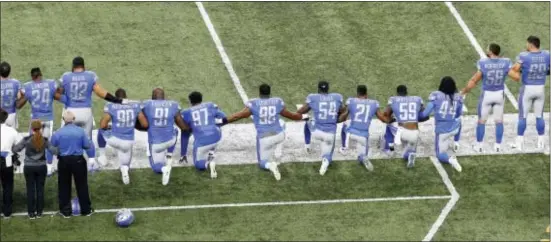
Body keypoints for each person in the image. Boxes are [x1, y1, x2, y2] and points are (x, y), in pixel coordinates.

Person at [57, 56, 129, 171]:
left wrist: (66, 99)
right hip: (86, 112)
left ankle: (63, 164)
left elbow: (57, 94)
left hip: (70, 111)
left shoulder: (66, 76)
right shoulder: (90, 75)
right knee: (87, 140)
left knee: (64, 137)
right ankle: (91, 164)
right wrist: (116, 100)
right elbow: (101, 92)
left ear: (72, 67)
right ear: (83, 66)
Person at [222, 84, 306, 180]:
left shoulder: (254, 104)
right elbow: (292, 116)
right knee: (282, 123)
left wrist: (222, 121)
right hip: (279, 135)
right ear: (270, 92)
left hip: (265, 138)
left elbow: (237, 116)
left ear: (259, 92)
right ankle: (278, 148)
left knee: (263, 163)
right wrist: (303, 117)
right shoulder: (278, 102)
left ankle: (271, 166)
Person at [461, 44, 519, 153]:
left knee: (481, 121)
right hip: (499, 94)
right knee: (499, 121)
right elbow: (516, 77)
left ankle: (479, 146)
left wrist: (464, 91)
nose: (486, 49)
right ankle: (497, 146)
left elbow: (474, 80)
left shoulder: (483, 63)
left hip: (487, 95)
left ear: (491, 52)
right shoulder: (505, 62)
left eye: (488, 48)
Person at [98, 88, 148, 184]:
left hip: (115, 140)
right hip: (128, 141)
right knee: (125, 162)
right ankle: (124, 169)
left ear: (116, 98)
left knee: (101, 131)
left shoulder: (111, 105)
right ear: (126, 97)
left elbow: (103, 125)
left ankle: (102, 155)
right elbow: (145, 124)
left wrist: (109, 126)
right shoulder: (135, 105)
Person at [510, 36, 550, 151]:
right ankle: (541, 143)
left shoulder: (524, 56)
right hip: (540, 88)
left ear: (531, 44)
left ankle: (519, 143)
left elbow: (515, 69)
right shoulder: (547, 54)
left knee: (522, 116)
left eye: (527, 44)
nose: (526, 46)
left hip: (528, 88)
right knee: (539, 116)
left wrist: (523, 70)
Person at [12, 120, 58, 219]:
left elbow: (16, 149)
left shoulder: (26, 139)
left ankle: (31, 213)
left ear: (31, 128)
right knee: (40, 190)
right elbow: (54, 151)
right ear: (41, 129)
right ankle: (39, 212)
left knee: (30, 190)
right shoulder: (44, 140)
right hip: (41, 167)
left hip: (29, 167)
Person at [297, 80, 345, 176]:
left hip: (316, 131)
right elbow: (343, 111)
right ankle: (325, 161)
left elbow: (301, 111)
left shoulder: (313, 97)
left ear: (318, 89)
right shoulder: (337, 97)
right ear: (328, 89)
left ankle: (307, 145)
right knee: (328, 154)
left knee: (307, 120)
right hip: (330, 134)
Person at [51, 111, 94, 217]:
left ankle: (65, 212)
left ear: (63, 119)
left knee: (64, 186)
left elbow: (53, 145)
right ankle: (86, 210)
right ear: (74, 119)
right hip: (78, 160)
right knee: (82, 185)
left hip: (64, 161)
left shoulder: (59, 132)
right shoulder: (81, 131)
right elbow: (87, 146)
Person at [338, 85, 390, 171]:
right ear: (366, 94)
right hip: (364, 136)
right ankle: (363, 157)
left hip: (351, 133)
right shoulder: (374, 103)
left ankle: (344, 148)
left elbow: (344, 116)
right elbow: (382, 119)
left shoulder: (351, 101)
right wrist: (390, 119)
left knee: (345, 125)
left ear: (357, 93)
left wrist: (336, 119)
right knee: (362, 156)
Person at [17, 67, 63, 166]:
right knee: (48, 143)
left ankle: (33, 163)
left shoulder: (28, 86)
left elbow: (19, 103)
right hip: (47, 118)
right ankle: (49, 167)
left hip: (36, 119)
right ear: (41, 75)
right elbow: (59, 92)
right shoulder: (50, 83)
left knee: (33, 142)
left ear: (32, 77)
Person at [142, 88, 187, 185]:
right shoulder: (173, 104)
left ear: (152, 97)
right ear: (164, 97)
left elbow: (140, 119)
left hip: (156, 144)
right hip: (171, 140)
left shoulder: (147, 104)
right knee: (175, 129)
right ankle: (169, 154)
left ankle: (164, 169)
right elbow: (182, 125)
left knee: (156, 167)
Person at [421, 76, 463, 172]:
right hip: (455, 129)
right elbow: (458, 114)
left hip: (442, 132)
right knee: (459, 121)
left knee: (440, 155)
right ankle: (456, 143)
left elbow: (425, 114)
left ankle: (450, 160)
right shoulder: (458, 97)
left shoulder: (436, 95)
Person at [382, 85, 424, 168]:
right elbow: (424, 115)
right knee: (406, 154)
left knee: (388, 125)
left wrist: (392, 119)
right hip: (415, 133)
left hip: (403, 131)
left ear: (397, 93)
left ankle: (390, 149)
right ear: (406, 92)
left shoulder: (393, 99)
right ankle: (411, 154)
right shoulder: (417, 99)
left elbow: (386, 115)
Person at [0, 108, 21, 219]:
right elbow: (20, 145)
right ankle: (7, 212)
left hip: (6, 159)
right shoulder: (11, 131)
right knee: (7, 186)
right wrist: (12, 150)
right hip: (6, 161)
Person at [0, 61, 23, 128]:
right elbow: (19, 97)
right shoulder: (16, 83)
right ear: (9, 72)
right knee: (11, 135)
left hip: (0, 114)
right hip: (11, 115)